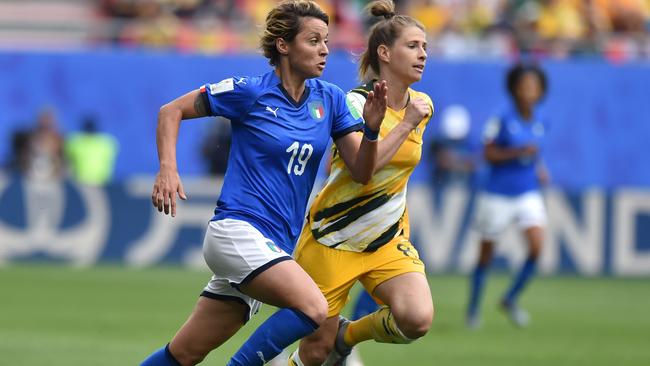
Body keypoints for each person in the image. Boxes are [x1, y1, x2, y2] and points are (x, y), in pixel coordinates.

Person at [140, 1, 388, 365]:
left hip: (273, 248)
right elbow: (170, 111)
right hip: (237, 232)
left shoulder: (331, 99)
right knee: (314, 307)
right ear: (284, 46)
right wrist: (168, 169)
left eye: (326, 40)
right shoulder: (250, 92)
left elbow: (363, 171)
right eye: (313, 40)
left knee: (184, 354)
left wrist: (372, 130)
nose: (324, 50)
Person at [284, 1, 435, 364]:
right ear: (385, 53)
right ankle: (326, 344)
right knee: (313, 352)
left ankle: (346, 336)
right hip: (333, 236)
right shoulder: (353, 104)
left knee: (416, 319)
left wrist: (409, 120)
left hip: (386, 239)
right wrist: (404, 124)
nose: (422, 55)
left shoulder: (422, 105)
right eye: (412, 46)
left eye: (425, 47)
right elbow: (362, 171)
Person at [466, 62, 549, 329]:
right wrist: (517, 154)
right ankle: (473, 310)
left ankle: (510, 298)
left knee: (537, 247)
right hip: (497, 193)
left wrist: (539, 168)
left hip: (527, 192)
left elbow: (532, 153)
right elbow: (488, 154)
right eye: (525, 85)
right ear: (514, 89)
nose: (529, 90)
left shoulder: (539, 120)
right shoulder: (501, 118)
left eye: (534, 86)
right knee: (486, 255)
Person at [64, 116, 119, 186]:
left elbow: (66, 157)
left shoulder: (75, 142)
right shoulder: (108, 142)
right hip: (103, 180)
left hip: (81, 181)